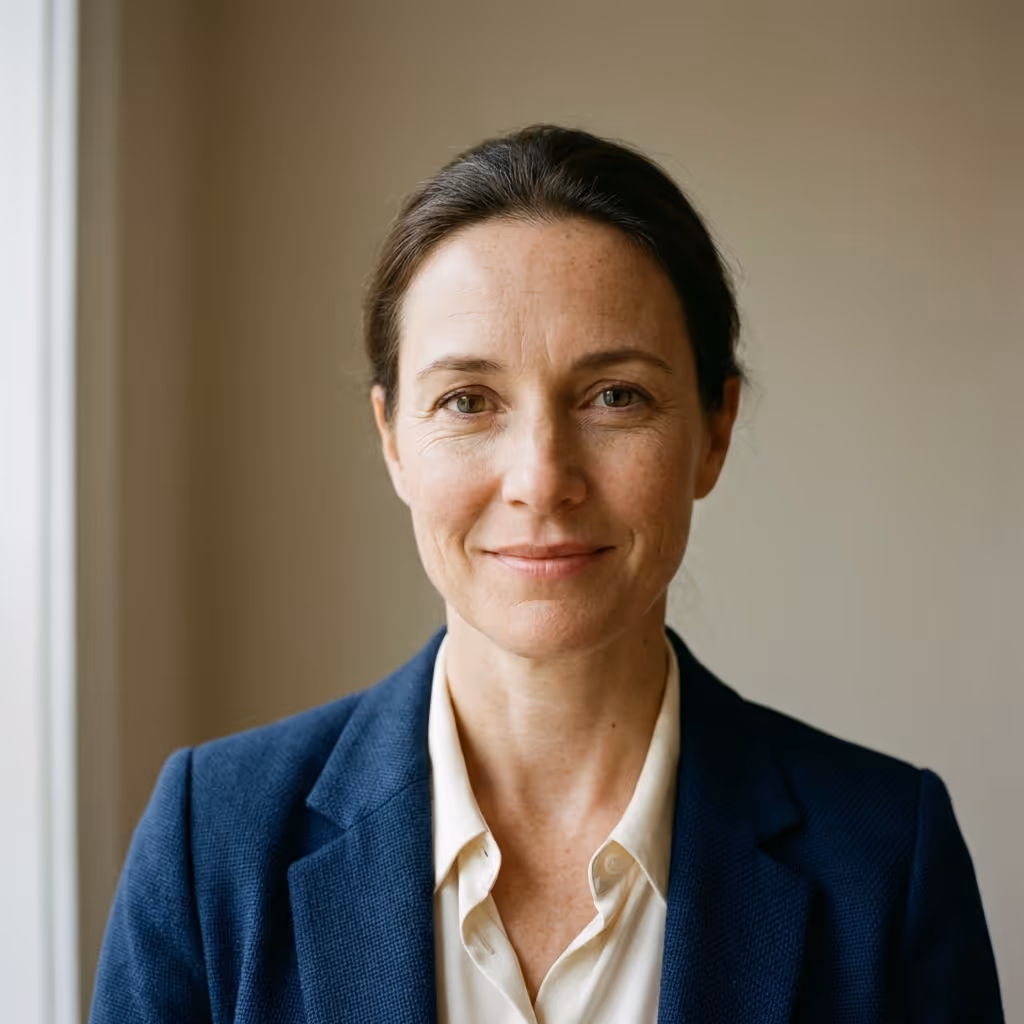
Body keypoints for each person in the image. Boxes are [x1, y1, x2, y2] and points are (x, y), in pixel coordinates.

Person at [90, 125, 1004, 1024]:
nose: (541, 479)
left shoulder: (887, 859)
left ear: (715, 430)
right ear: (393, 439)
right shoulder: (211, 839)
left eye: (616, 396)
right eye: (467, 401)